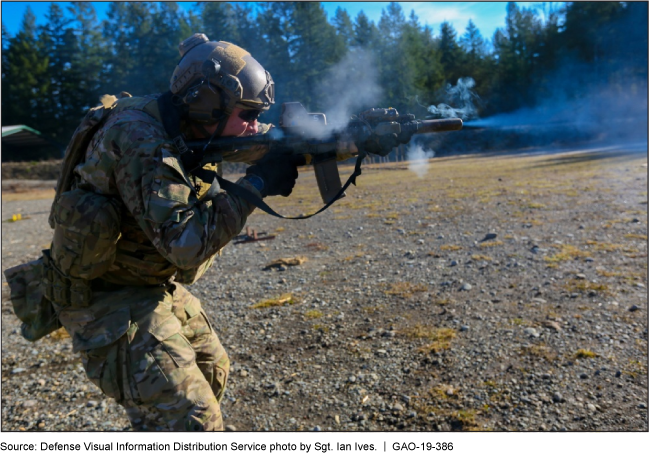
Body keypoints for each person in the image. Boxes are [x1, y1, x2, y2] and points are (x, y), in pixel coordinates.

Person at [49, 33, 298, 431]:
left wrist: (317, 141)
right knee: (193, 419)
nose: (255, 125)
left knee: (213, 371)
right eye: (248, 113)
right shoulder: (141, 140)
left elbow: (245, 139)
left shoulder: (189, 124)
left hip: (148, 282)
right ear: (206, 103)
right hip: (105, 298)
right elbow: (186, 244)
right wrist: (257, 185)